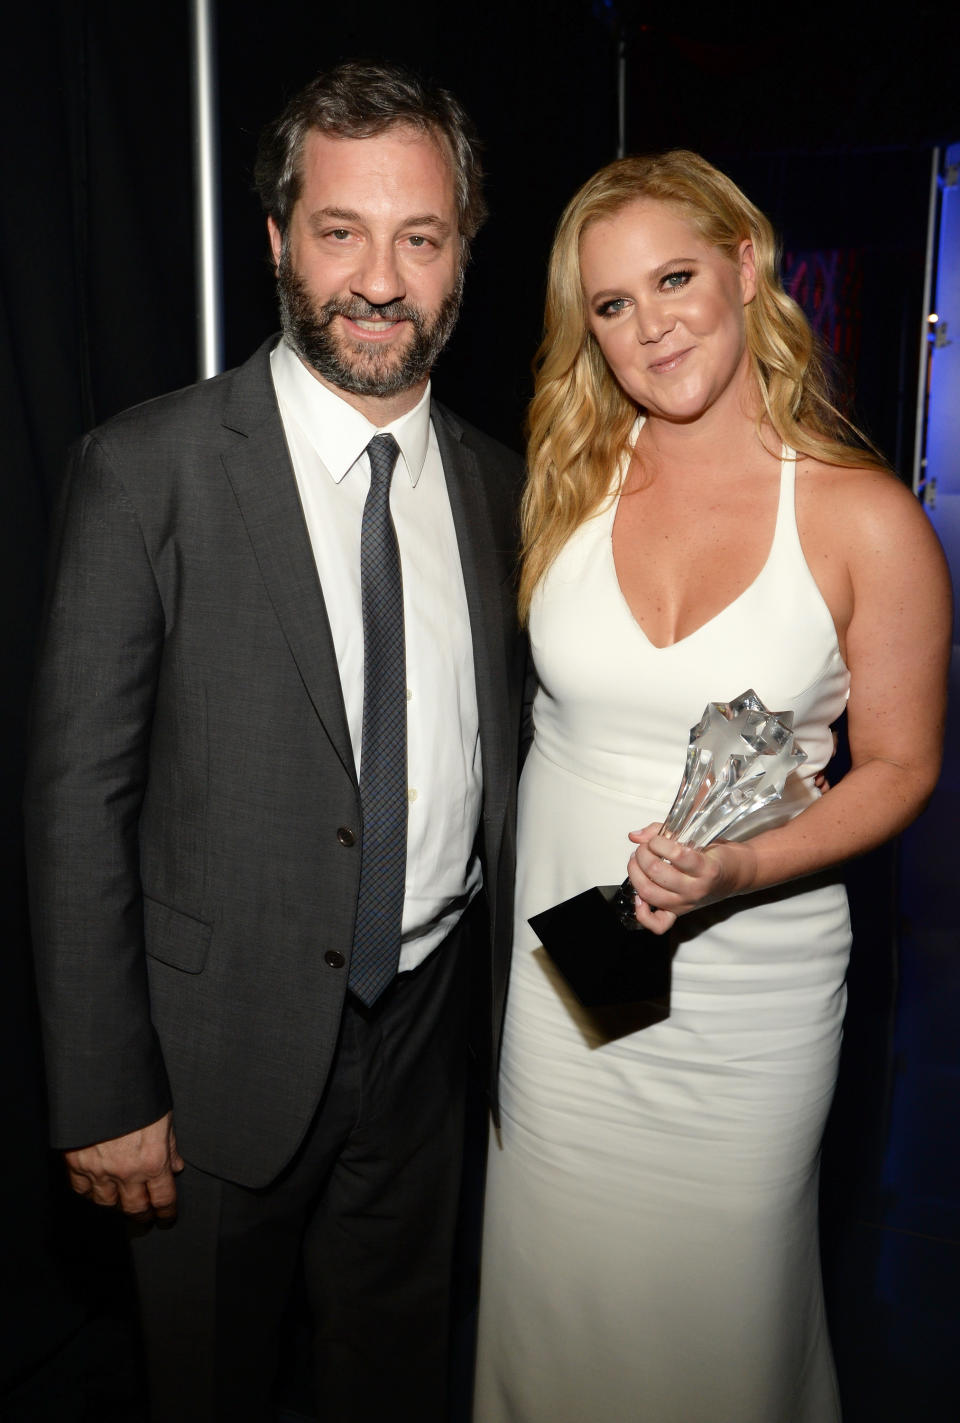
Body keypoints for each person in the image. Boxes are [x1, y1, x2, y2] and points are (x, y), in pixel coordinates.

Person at [25, 61, 525, 1423]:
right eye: (339, 231)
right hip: (206, 1064)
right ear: (275, 240)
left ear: (462, 255)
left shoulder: (501, 484)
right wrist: (102, 1087)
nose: (379, 278)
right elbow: (77, 799)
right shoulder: (148, 469)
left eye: (420, 237)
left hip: (428, 1054)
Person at [473, 151, 950, 1422]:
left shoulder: (863, 519)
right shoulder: (567, 480)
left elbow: (903, 765)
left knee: (717, 1323)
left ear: (747, 265)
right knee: (557, 1298)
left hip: (749, 1002)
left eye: (674, 277)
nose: (650, 325)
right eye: (612, 305)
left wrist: (737, 869)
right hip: (566, 990)